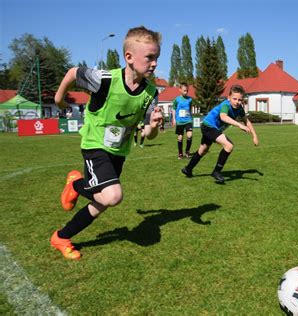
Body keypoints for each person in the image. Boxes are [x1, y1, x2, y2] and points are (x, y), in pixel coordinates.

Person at [50, 26, 163, 260]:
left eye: (156, 58)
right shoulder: (105, 80)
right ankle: (75, 185)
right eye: (149, 57)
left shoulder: (151, 92)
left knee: (101, 203)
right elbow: (73, 72)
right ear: (129, 57)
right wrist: (59, 99)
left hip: (119, 151)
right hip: (95, 145)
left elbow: (150, 134)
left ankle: (61, 237)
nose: (154, 63)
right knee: (113, 196)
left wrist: (153, 124)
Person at [181, 84, 259, 183]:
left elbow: (247, 121)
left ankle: (187, 169)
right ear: (229, 98)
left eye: (240, 100)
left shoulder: (239, 109)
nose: (237, 102)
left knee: (203, 150)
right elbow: (223, 117)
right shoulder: (225, 105)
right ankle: (216, 172)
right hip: (208, 127)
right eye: (235, 99)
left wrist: (255, 136)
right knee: (229, 145)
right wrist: (239, 125)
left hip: (211, 128)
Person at [172, 82, 193, 159]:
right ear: (180, 90)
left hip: (188, 120)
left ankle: (187, 151)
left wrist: (191, 117)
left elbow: (190, 109)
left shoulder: (190, 99)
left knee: (190, 135)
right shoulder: (177, 100)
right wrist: (174, 119)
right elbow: (173, 109)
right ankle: (180, 153)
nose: (186, 92)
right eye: (184, 90)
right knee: (180, 137)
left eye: (187, 90)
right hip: (180, 121)